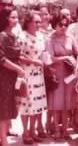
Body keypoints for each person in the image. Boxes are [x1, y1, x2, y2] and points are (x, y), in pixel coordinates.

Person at [46, 15, 78, 140]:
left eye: (65, 25)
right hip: (57, 73)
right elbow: (50, 58)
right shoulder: (50, 39)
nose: (63, 27)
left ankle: (65, 130)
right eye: (60, 24)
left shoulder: (70, 38)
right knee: (57, 103)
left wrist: (77, 65)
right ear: (54, 25)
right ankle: (56, 129)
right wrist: (66, 57)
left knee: (67, 102)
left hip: (69, 74)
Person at [16, 11, 47, 144]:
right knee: (27, 103)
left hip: (39, 75)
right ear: (28, 22)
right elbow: (18, 56)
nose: (39, 24)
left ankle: (33, 130)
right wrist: (33, 62)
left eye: (40, 21)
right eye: (36, 21)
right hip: (27, 73)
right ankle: (26, 132)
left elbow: (43, 53)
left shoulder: (40, 36)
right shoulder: (22, 36)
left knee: (37, 104)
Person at [0, 8, 26, 146]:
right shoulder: (2, 36)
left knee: (8, 107)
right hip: (3, 76)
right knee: (3, 108)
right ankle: (3, 140)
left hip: (12, 77)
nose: (16, 20)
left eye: (17, 18)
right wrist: (18, 68)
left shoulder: (13, 36)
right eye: (12, 17)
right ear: (5, 18)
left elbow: (16, 55)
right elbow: (1, 58)